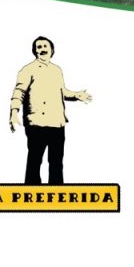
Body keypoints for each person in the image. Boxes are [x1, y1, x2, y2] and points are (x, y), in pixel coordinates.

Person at [9, 36, 92, 185]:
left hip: (57, 123)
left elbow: (63, 92)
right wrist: (14, 112)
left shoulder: (57, 70)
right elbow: (19, 92)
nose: (42, 49)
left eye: (45, 46)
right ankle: (31, 193)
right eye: (39, 47)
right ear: (34, 51)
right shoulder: (27, 70)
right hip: (36, 124)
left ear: (52, 50)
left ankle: (57, 192)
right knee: (34, 161)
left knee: (56, 163)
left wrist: (76, 95)